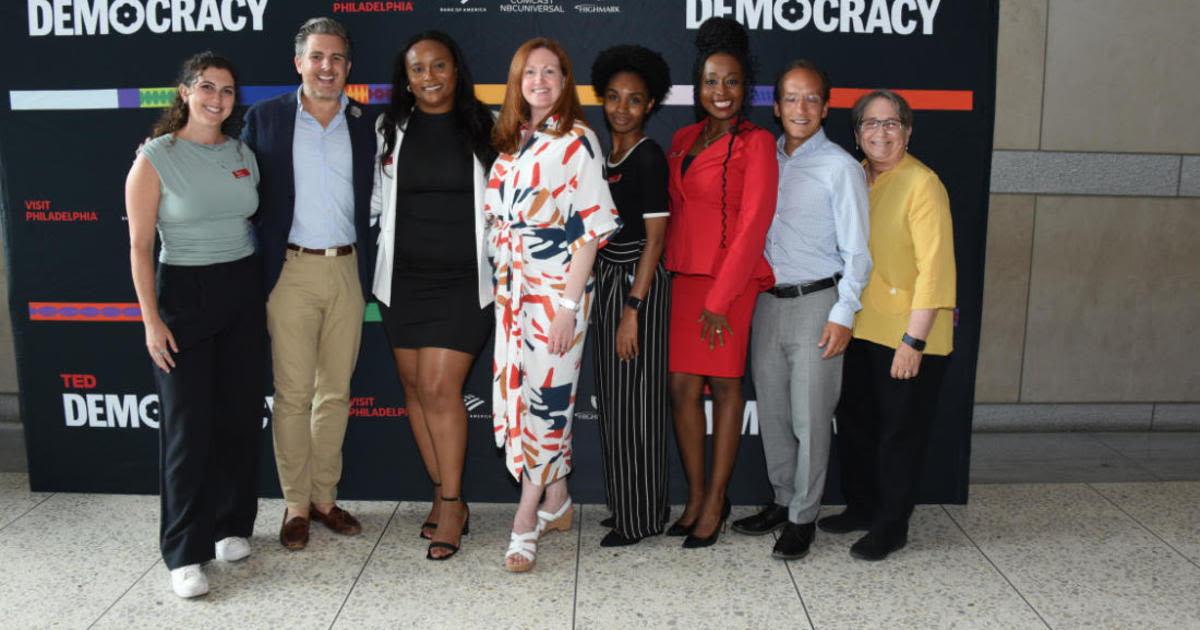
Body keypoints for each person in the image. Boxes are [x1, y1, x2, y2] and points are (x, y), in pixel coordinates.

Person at [126, 51, 265, 598]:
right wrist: (151, 321)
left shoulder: (242, 152)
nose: (217, 99)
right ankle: (185, 551)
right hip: (182, 294)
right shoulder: (155, 158)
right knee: (187, 429)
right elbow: (139, 247)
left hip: (242, 290)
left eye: (227, 91)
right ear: (184, 92)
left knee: (237, 419)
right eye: (207, 87)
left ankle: (231, 526)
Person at [241, 17, 377, 551]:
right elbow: (231, 174)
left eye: (337, 58)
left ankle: (325, 498)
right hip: (289, 271)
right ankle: (295, 505)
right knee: (293, 394)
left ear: (348, 67)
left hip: (348, 269)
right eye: (317, 57)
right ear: (299, 62)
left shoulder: (367, 122)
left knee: (336, 392)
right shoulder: (265, 118)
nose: (327, 67)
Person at [486, 38, 620, 572]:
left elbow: (591, 233)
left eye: (550, 72)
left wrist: (567, 307)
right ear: (517, 83)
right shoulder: (512, 143)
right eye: (529, 73)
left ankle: (525, 519)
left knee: (545, 403)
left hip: (556, 296)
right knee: (522, 398)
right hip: (512, 295)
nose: (539, 81)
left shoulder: (579, 140)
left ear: (565, 82)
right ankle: (557, 500)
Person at [731, 60, 871, 560]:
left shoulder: (840, 167)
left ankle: (804, 517)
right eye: (791, 98)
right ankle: (783, 499)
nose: (801, 107)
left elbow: (859, 252)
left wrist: (844, 313)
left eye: (812, 98)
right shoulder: (763, 157)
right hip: (766, 303)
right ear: (776, 106)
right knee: (772, 413)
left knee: (811, 419)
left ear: (827, 106)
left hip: (818, 303)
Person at [370, 31, 497, 560]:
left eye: (438, 66)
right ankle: (442, 492)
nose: (428, 78)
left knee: (441, 386)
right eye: (417, 69)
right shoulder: (389, 127)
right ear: (406, 77)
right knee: (414, 387)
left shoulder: (486, 126)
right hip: (402, 282)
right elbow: (380, 197)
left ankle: (452, 502)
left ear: (456, 69)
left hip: (465, 282)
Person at [819, 89, 956, 561]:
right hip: (859, 329)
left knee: (899, 435)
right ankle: (861, 507)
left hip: (907, 335)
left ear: (908, 131)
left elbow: (935, 272)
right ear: (857, 134)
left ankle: (891, 525)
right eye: (871, 124)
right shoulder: (856, 177)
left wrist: (913, 341)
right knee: (857, 427)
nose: (881, 132)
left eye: (891, 123)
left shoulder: (923, 185)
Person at [663, 17, 777, 549]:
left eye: (732, 81)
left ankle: (717, 499)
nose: (721, 91)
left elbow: (754, 224)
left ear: (746, 87)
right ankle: (695, 492)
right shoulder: (684, 137)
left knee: (726, 387)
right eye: (712, 81)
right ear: (698, 84)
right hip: (684, 279)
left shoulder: (757, 143)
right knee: (683, 388)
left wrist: (719, 298)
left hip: (729, 286)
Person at [588, 45, 673, 547]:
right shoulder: (606, 153)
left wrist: (632, 312)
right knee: (618, 405)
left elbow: (657, 239)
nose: (622, 107)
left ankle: (639, 520)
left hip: (638, 288)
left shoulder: (649, 157)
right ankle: (630, 504)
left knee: (638, 407)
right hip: (609, 280)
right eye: (615, 97)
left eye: (634, 100)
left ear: (649, 106)